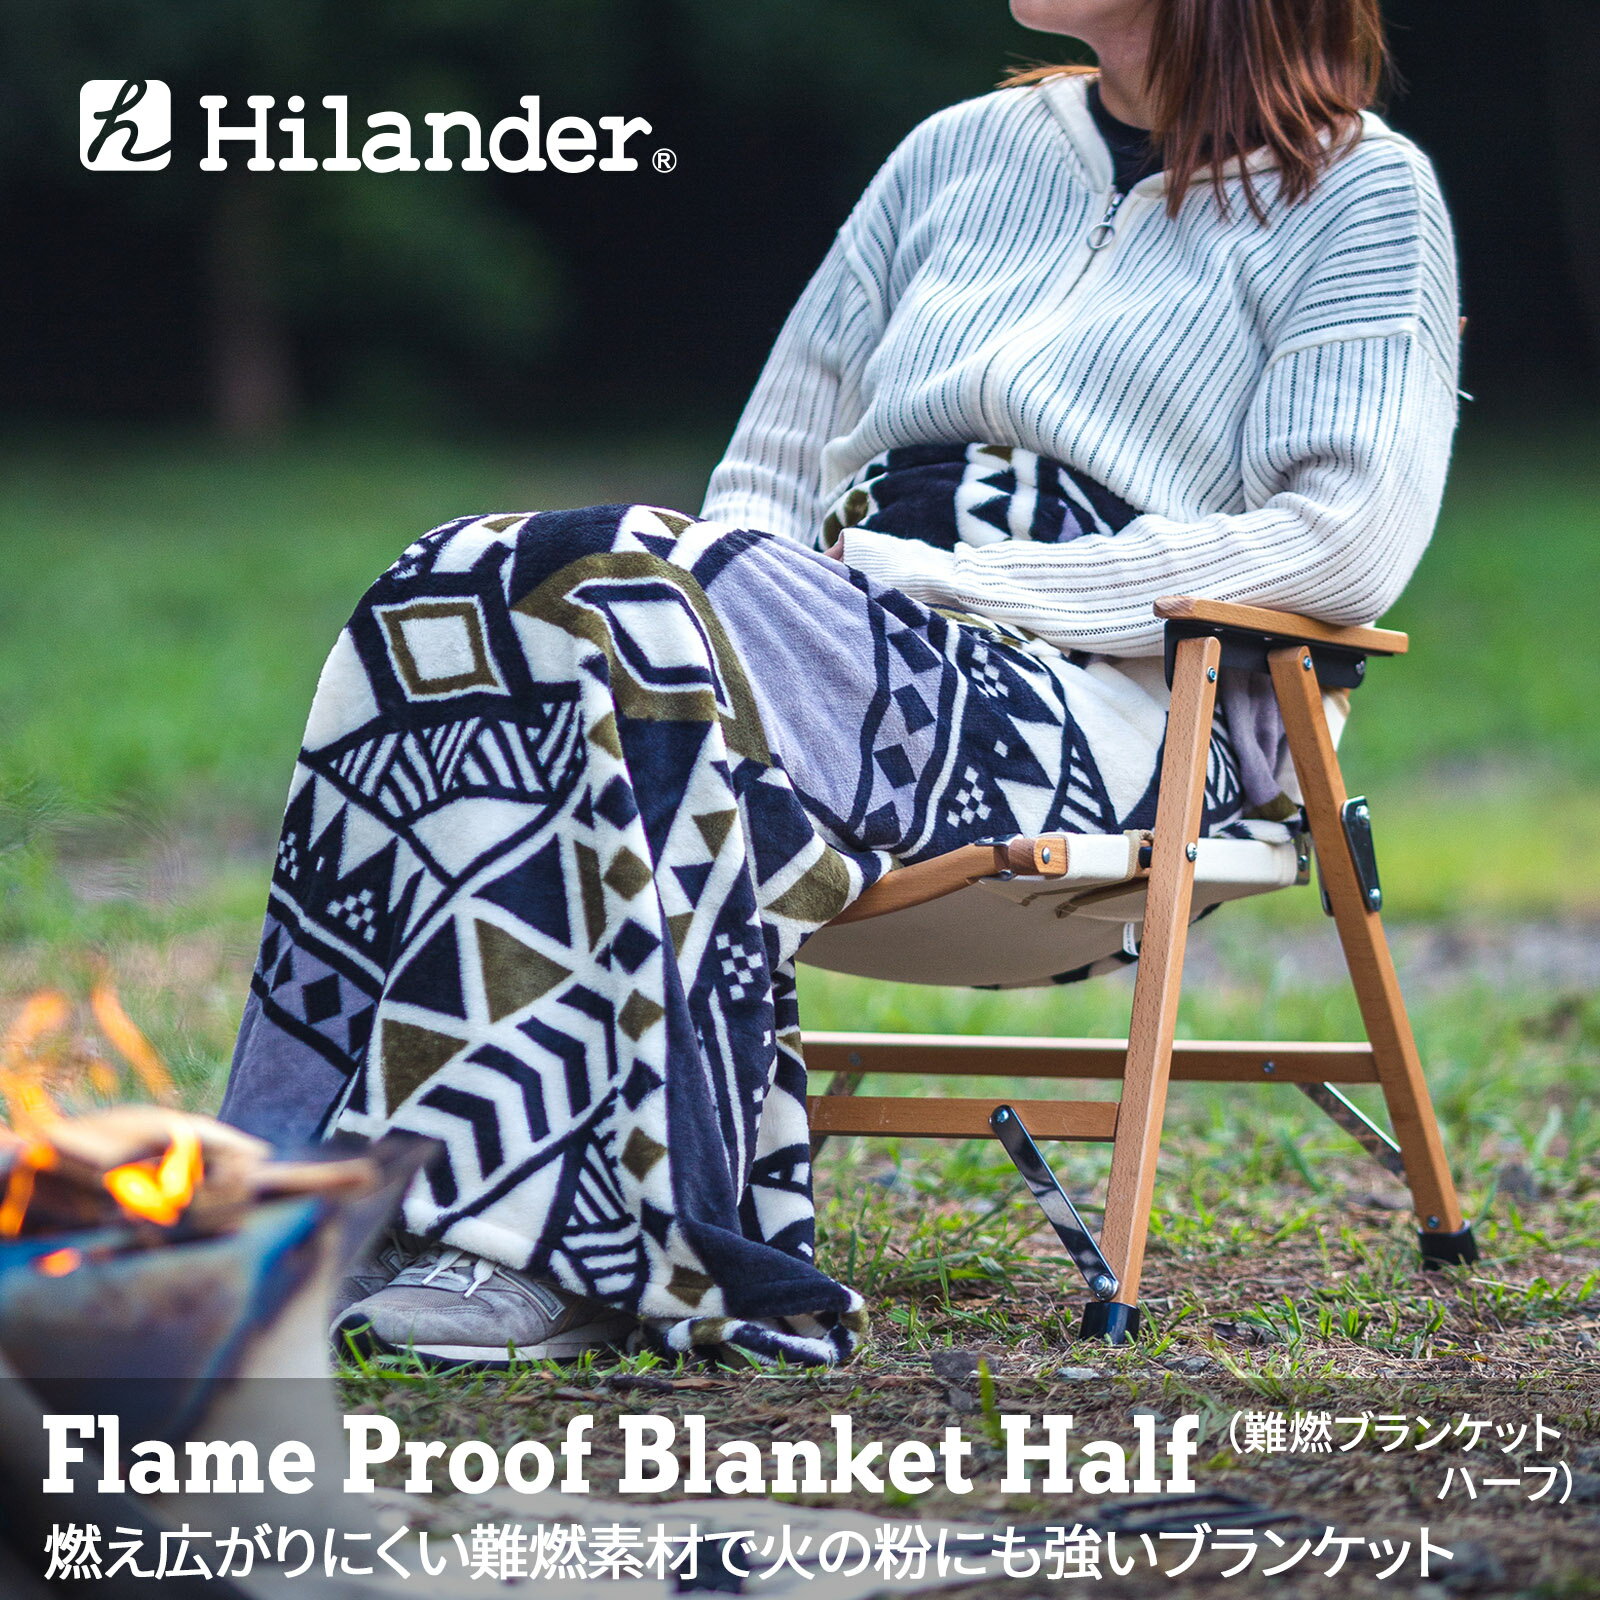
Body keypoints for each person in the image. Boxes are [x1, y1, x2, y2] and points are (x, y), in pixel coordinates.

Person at [220, 0, 1459, 1369]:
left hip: (1098, 708)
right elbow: (767, 472)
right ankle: (342, 1195)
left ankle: (566, 1244)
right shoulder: (958, 152)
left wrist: (964, 589)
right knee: (461, 576)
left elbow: (1343, 534)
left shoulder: (1361, 191)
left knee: (599, 579)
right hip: (844, 642)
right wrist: (775, 608)